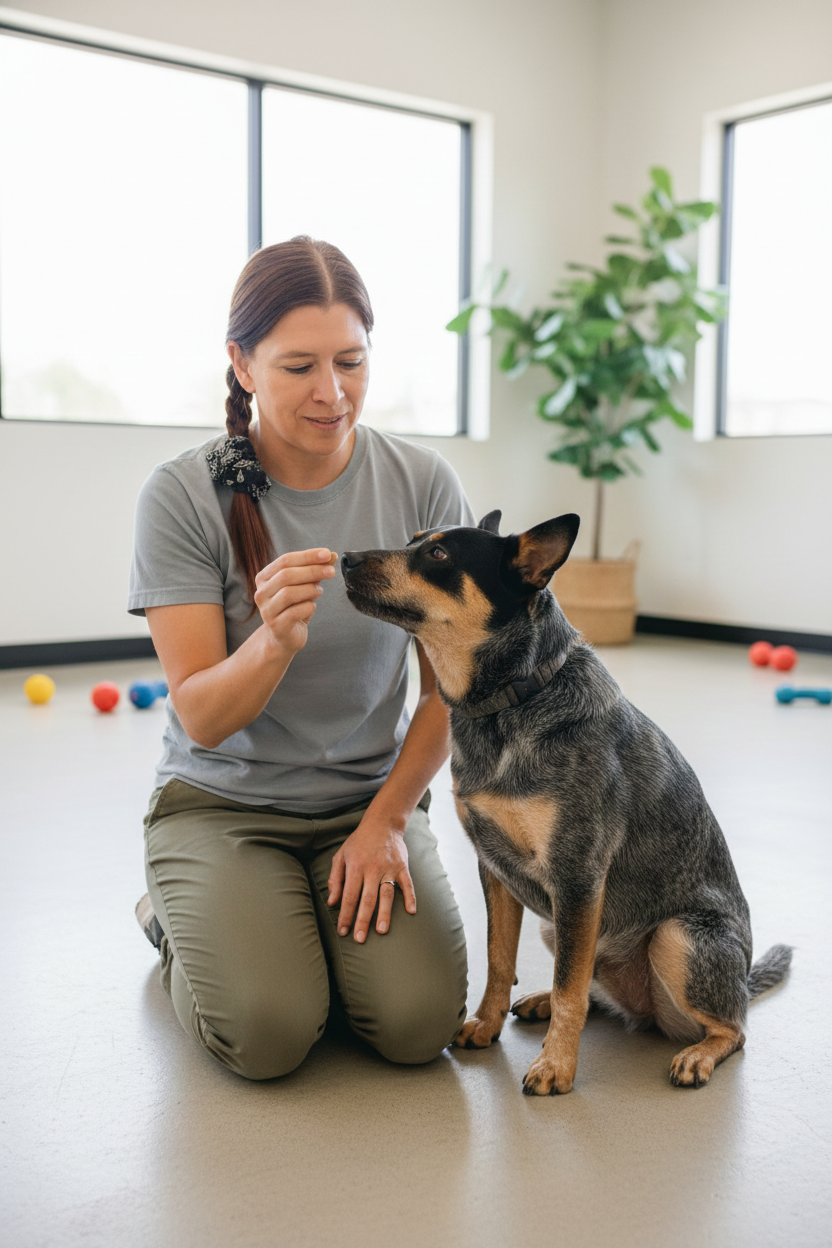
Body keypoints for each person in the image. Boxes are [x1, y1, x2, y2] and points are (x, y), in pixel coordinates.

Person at [129, 237, 470, 1080]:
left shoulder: (424, 485)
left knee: (417, 1025)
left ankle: (302, 925)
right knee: (272, 1034)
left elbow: (451, 693)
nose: (332, 392)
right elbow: (203, 715)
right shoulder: (181, 495)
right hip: (224, 805)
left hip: (368, 801)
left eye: (351, 361)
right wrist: (275, 643)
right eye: (298, 367)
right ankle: (174, 914)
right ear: (242, 364)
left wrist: (389, 819)